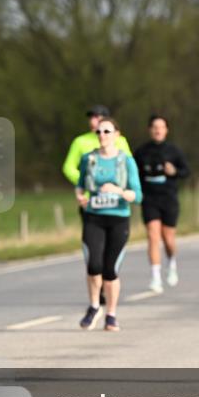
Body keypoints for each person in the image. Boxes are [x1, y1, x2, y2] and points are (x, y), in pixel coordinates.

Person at [76, 117, 142, 332]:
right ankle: (95, 306)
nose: (102, 135)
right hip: (94, 217)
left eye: (106, 131)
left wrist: (119, 191)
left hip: (118, 218)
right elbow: (80, 186)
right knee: (93, 265)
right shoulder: (89, 159)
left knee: (110, 270)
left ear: (117, 135)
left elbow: (138, 195)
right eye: (99, 132)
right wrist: (82, 198)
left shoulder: (126, 161)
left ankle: (111, 314)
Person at [63, 105, 131, 310]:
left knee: (109, 252)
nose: (95, 122)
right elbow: (68, 167)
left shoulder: (120, 141)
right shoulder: (80, 142)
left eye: (99, 118)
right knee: (93, 252)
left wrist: (119, 190)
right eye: (92, 117)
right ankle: (96, 282)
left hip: (115, 205)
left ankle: (106, 284)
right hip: (91, 203)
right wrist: (86, 185)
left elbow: (128, 167)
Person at [134, 115, 190, 293]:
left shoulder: (174, 151)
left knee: (168, 239)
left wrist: (173, 171)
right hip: (150, 198)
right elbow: (134, 174)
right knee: (152, 236)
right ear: (149, 130)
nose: (158, 130)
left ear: (166, 130)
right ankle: (155, 276)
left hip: (169, 197)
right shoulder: (141, 152)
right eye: (154, 127)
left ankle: (171, 262)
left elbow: (186, 171)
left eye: (161, 127)